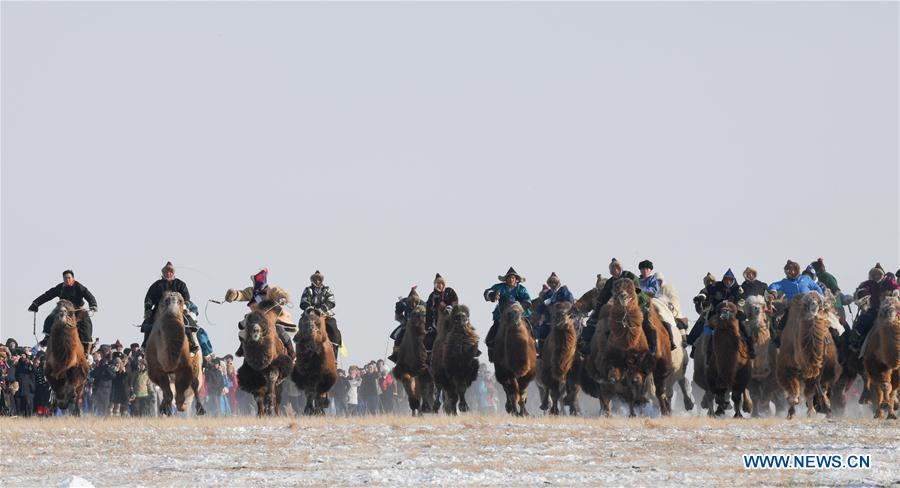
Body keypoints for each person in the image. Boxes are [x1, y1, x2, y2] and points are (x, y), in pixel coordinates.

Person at [225, 268, 295, 358]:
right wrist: (234, 295)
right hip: (256, 317)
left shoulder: (272, 290)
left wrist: (282, 298)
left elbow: (279, 293)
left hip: (272, 317)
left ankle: (290, 349)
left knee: (279, 329)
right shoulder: (251, 291)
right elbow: (242, 295)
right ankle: (243, 346)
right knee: (246, 328)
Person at [29, 269, 98, 352]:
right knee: (50, 318)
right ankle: (47, 338)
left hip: (77, 309)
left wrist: (93, 306)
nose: (67, 280)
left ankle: (86, 347)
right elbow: (48, 295)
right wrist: (36, 303)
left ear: (73, 278)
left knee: (86, 323)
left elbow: (89, 296)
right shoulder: (61, 287)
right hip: (63, 308)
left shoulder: (79, 286)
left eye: (69, 278)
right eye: (65, 278)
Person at [141, 262, 199, 354]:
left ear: (173, 273)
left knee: (187, 324)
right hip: (160, 309)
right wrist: (148, 309)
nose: (168, 273)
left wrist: (185, 306)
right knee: (149, 324)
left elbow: (186, 296)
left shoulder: (180, 284)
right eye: (167, 271)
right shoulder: (157, 285)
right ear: (164, 273)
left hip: (178, 309)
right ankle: (145, 344)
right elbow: (149, 298)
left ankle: (191, 343)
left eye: (170, 271)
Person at [767, 260, 825, 345]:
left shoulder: (805, 278)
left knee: (822, 320)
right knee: (782, 323)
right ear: (786, 272)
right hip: (793, 307)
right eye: (789, 270)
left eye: (793, 269)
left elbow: (816, 287)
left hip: (809, 305)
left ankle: (826, 337)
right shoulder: (785, 282)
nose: (792, 271)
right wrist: (773, 293)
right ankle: (779, 340)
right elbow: (773, 285)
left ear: (797, 269)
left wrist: (821, 297)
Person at [483, 267, 533, 362]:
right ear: (506, 279)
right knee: (491, 335)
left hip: (519, 316)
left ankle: (534, 348)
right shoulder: (500, 287)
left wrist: (518, 307)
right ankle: (492, 352)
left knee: (530, 329)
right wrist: (492, 295)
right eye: (509, 278)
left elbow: (527, 301)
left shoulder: (521, 289)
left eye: (513, 277)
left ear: (516, 279)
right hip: (502, 316)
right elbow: (487, 292)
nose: (511, 279)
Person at [706, 269, 756, 359]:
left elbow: (741, 300)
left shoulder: (738, 289)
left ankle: (750, 349)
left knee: (743, 327)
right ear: (723, 279)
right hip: (718, 313)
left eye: (730, 279)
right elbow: (709, 290)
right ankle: (708, 350)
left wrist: (733, 307)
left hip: (734, 314)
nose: (728, 281)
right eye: (726, 279)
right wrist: (708, 282)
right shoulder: (718, 286)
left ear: (733, 280)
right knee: (708, 328)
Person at [848, 264, 899, 350]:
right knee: (864, 320)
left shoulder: (888, 281)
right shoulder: (869, 284)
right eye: (874, 274)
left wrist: (894, 293)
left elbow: (896, 287)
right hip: (875, 310)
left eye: (878, 273)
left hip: (890, 308)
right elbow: (862, 290)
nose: (876, 276)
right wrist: (862, 293)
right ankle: (855, 342)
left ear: (882, 274)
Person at [298, 270, 342, 359]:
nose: (317, 281)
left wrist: (321, 309)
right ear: (312, 280)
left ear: (321, 280)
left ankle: (334, 351)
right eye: (315, 279)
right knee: (301, 324)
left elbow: (331, 301)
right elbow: (304, 302)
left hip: (325, 314)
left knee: (333, 325)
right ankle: (299, 351)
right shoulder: (308, 289)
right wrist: (310, 309)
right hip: (310, 314)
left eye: (319, 279)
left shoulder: (327, 289)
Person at [534, 272, 574, 357]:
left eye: (554, 282)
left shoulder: (564, 290)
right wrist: (537, 314)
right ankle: (541, 354)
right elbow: (541, 306)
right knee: (542, 332)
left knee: (570, 335)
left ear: (557, 282)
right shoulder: (547, 294)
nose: (553, 284)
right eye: (551, 282)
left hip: (561, 319)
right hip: (549, 320)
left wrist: (560, 307)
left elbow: (570, 302)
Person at [388, 287, 423, 363]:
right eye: (411, 302)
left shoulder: (423, 304)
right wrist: (402, 320)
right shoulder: (403, 303)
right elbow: (398, 312)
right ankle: (395, 353)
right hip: (407, 325)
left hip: (419, 325)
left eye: (415, 302)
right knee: (399, 336)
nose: (413, 304)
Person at [810, 258, 847, 322]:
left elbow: (836, 290)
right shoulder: (814, 279)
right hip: (823, 308)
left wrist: (830, 300)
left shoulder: (827, 277)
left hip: (836, 307)